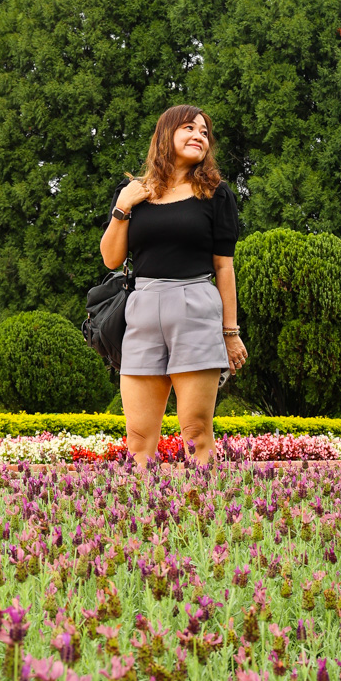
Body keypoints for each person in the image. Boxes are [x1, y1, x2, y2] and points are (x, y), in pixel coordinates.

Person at [100, 104, 247, 467]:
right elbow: (111, 260)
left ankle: (203, 515)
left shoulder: (216, 194)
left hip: (194, 305)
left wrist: (231, 332)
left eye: (204, 132)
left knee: (196, 431)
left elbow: (223, 267)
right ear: (166, 134)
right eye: (189, 128)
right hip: (143, 308)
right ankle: (137, 519)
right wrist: (122, 207)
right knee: (137, 437)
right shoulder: (134, 191)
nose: (199, 136)